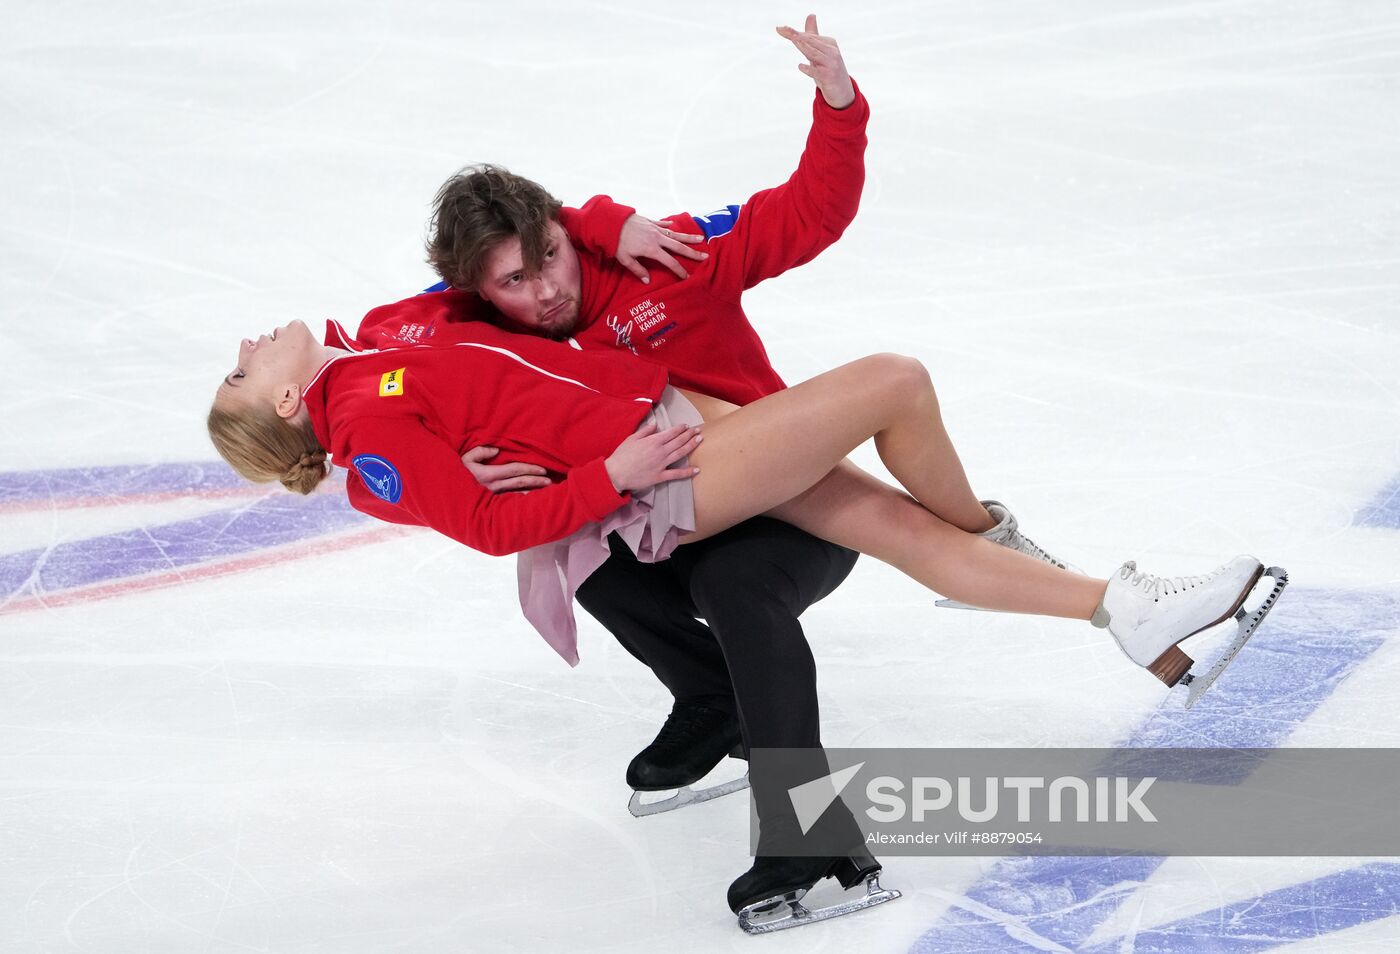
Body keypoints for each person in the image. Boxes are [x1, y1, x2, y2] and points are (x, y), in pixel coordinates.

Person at [207, 314, 1276, 920]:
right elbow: (489, 528)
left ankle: (1118, 610)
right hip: (669, 467)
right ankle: (1007, 558)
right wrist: (607, 471)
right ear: (288, 405)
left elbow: (489, 402)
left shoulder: (371, 359)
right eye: (242, 368)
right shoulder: (365, 432)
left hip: (674, 426)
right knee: (893, 380)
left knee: (899, 533)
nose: (247, 341)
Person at [356, 15, 898, 842]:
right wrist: (455, 467)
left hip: (788, 508)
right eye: (512, 280)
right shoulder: (478, 327)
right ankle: (714, 700)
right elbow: (378, 338)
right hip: (667, 518)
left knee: (735, 588)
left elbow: (808, 215)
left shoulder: (665, 259)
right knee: (567, 540)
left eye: (549, 254)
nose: (542, 291)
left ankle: (810, 837)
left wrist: (837, 102)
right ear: (474, 291)